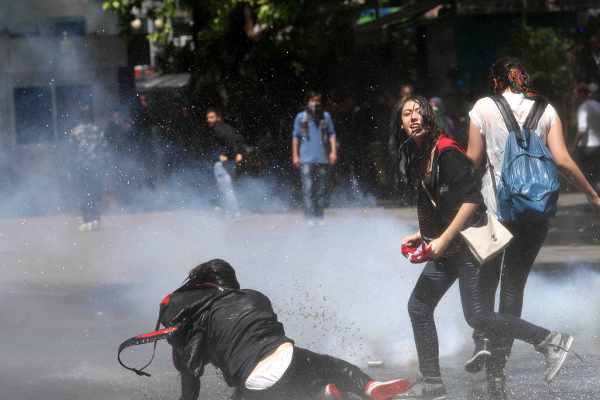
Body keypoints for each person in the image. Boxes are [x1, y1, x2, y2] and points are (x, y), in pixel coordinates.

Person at [396, 95, 575, 400]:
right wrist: (422, 234)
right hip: (448, 244)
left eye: (418, 112)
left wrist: (441, 239)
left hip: (469, 244)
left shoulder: (446, 152)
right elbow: (443, 207)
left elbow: (471, 202)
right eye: (406, 114)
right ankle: (433, 384)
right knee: (419, 306)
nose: (412, 117)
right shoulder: (415, 155)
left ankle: (549, 340)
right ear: (400, 123)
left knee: (477, 316)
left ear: (430, 117)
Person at [465, 57, 600, 399]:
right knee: (513, 288)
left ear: (496, 81)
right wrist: (592, 195)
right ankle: (498, 370)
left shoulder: (483, 107)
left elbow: (472, 161)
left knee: (486, 280)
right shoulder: (548, 109)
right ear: (525, 79)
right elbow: (564, 159)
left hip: (493, 210)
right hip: (535, 213)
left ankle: (482, 341)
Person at [153, 259, 411, 400]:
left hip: (258, 381)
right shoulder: (255, 296)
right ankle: (369, 386)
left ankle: (320, 395)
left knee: (258, 393)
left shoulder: (201, 317)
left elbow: (191, 371)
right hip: (289, 356)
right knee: (330, 365)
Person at [292, 91, 338, 225]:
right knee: (308, 189)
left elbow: (331, 134)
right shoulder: (301, 117)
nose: (315, 103)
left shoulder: (325, 116)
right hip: (306, 159)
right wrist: (295, 155)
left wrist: (333, 152)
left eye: (317, 101)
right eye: (312, 100)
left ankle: (319, 216)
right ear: (308, 101)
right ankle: (309, 217)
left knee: (321, 189)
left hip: (322, 158)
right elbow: (295, 136)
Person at [68, 107, 108, 232]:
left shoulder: (75, 132)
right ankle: (96, 219)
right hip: (96, 167)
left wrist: (70, 169)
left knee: (84, 193)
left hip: (82, 167)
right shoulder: (98, 131)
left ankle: (87, 220)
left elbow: (71, 152)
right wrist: (105, 166)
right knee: (95, 193)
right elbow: (105, 150)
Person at [206, 108, 246, 217]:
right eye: (208, 118)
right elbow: (238, 138)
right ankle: (229, 211)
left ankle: (233, 212)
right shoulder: (227, 127)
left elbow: (230, 141)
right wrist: (239, 153)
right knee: (227, 187)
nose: (209, 120)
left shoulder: (217, 129)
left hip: (222, 163)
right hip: (230, 162)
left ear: (218, 117)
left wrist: (224, 154)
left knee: (225, 188)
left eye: (211, 117)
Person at [574, 83, 600, 191]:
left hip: (587, 147)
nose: (576, 97)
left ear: (581, 94)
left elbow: (582, 130)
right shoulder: (597, 105)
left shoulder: (583, 108)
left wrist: (574, 145)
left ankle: (594, 197)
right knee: (597, 172)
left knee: (585, 173)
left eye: (577, 94)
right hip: (598, 145)